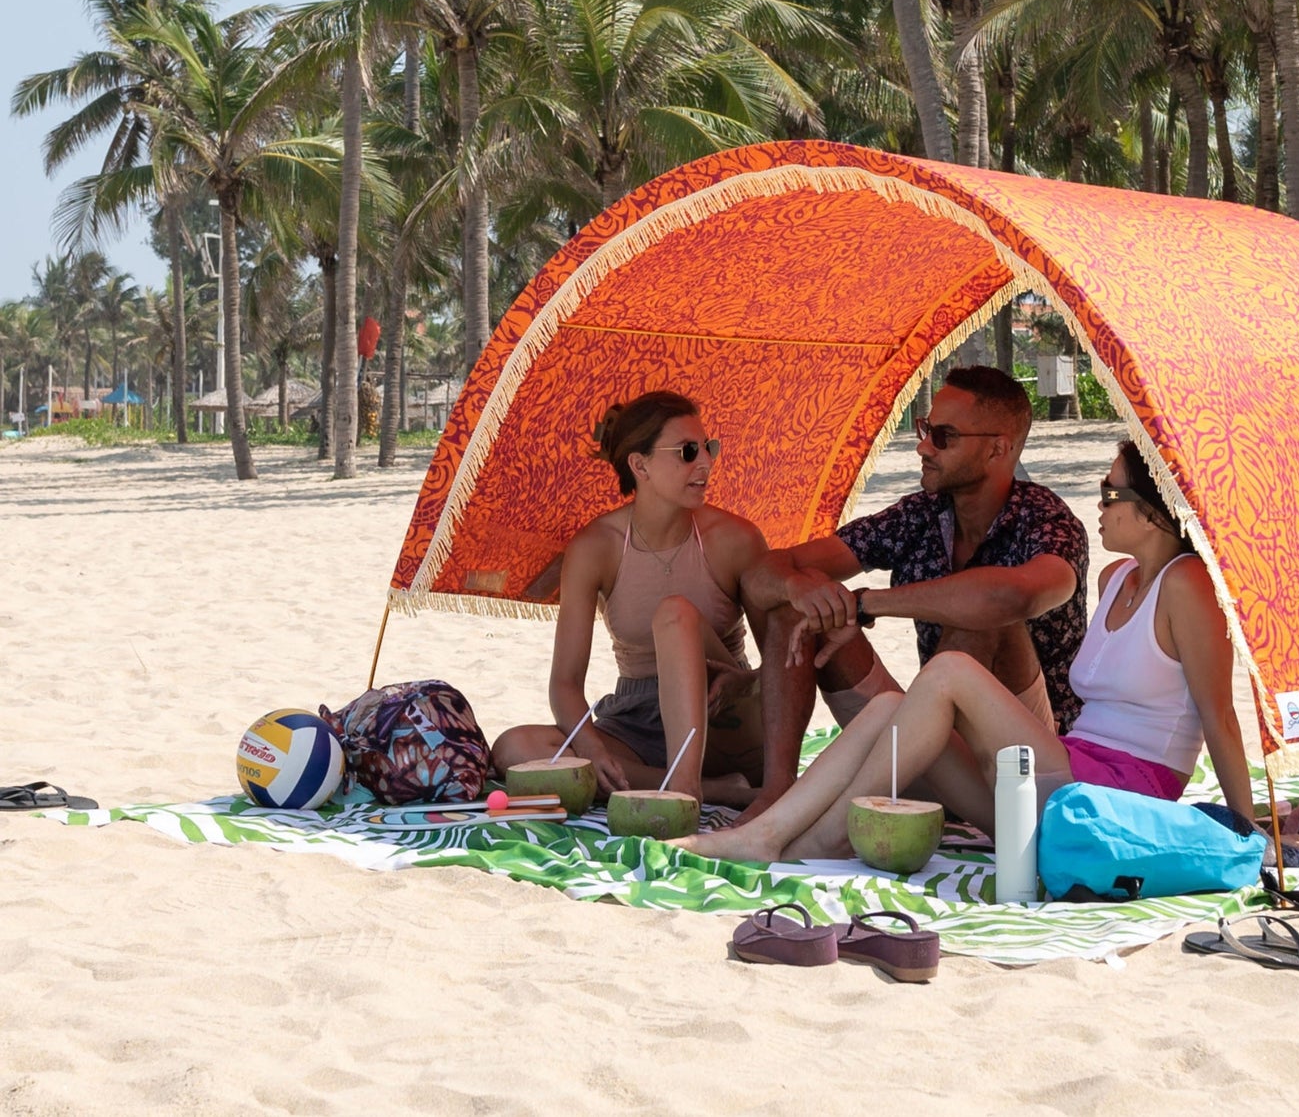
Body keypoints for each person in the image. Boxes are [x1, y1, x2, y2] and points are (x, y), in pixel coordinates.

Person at [686, 438, 1258, 863]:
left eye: (1111, 493)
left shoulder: (1187, 585)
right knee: (889, 708)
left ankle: (801, 845)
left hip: (1117, 796)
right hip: (1059, 778)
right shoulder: (1117, 578)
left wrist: (1247, 826)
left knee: (949, 672)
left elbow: (1219, 717)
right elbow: (774, 572)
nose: (1100, 503)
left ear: (1156, 512)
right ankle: (777, 834)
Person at [739, 365, 1087, 815]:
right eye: (925, 428)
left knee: (979, 626)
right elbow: (760, 573)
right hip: (934, 740)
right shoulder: (920, 514)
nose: (922, 446)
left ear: (997, 449)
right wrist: (797, 586)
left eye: (943, 436)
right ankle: (776, 791)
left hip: (1023, 764)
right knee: (795, 612)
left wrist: (866, 604)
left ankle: (880, 803)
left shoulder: (1048, 521)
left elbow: (1010, 598)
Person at [490, 390, 772, 805]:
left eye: (708, 448)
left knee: (675, 614)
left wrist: (744, 683)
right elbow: (565, 684)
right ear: (639, 465)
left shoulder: (735, 539)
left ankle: (687, 788)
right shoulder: (596, 546)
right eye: (688, 451)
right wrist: (594, 749)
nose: (706, 463)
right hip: (638, 720)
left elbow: (782, 664)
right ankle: (710, 790)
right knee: (515, 749)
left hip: (724, 715)